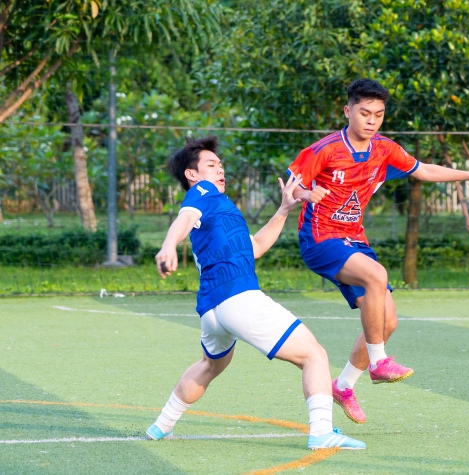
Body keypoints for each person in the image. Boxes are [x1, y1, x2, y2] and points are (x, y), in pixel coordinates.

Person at [287, 79, 469, 424]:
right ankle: (379, 363)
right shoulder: (326, 149)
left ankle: (343, 385)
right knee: (377, 276)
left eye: (378, 114)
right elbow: (293, 182)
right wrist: (304, 194)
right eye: (364, 113)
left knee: (387, 321)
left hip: (354, 240)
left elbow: (424, 170)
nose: (371, 120)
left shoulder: (385, 148)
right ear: (348, 111)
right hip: (320, 238)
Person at [145, 135, 365, 450]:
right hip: (238, 299)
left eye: (220, 165)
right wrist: (168, 245)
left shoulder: (218, 210)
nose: (220, 170)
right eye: (211, 165)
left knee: (211, 364)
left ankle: (161, 425)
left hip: (212, 310)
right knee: (314, 355)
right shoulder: (203, 193)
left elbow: (256, 246)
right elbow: (185, 217)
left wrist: (284, 209)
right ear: (192, 175)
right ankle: (321, 433)